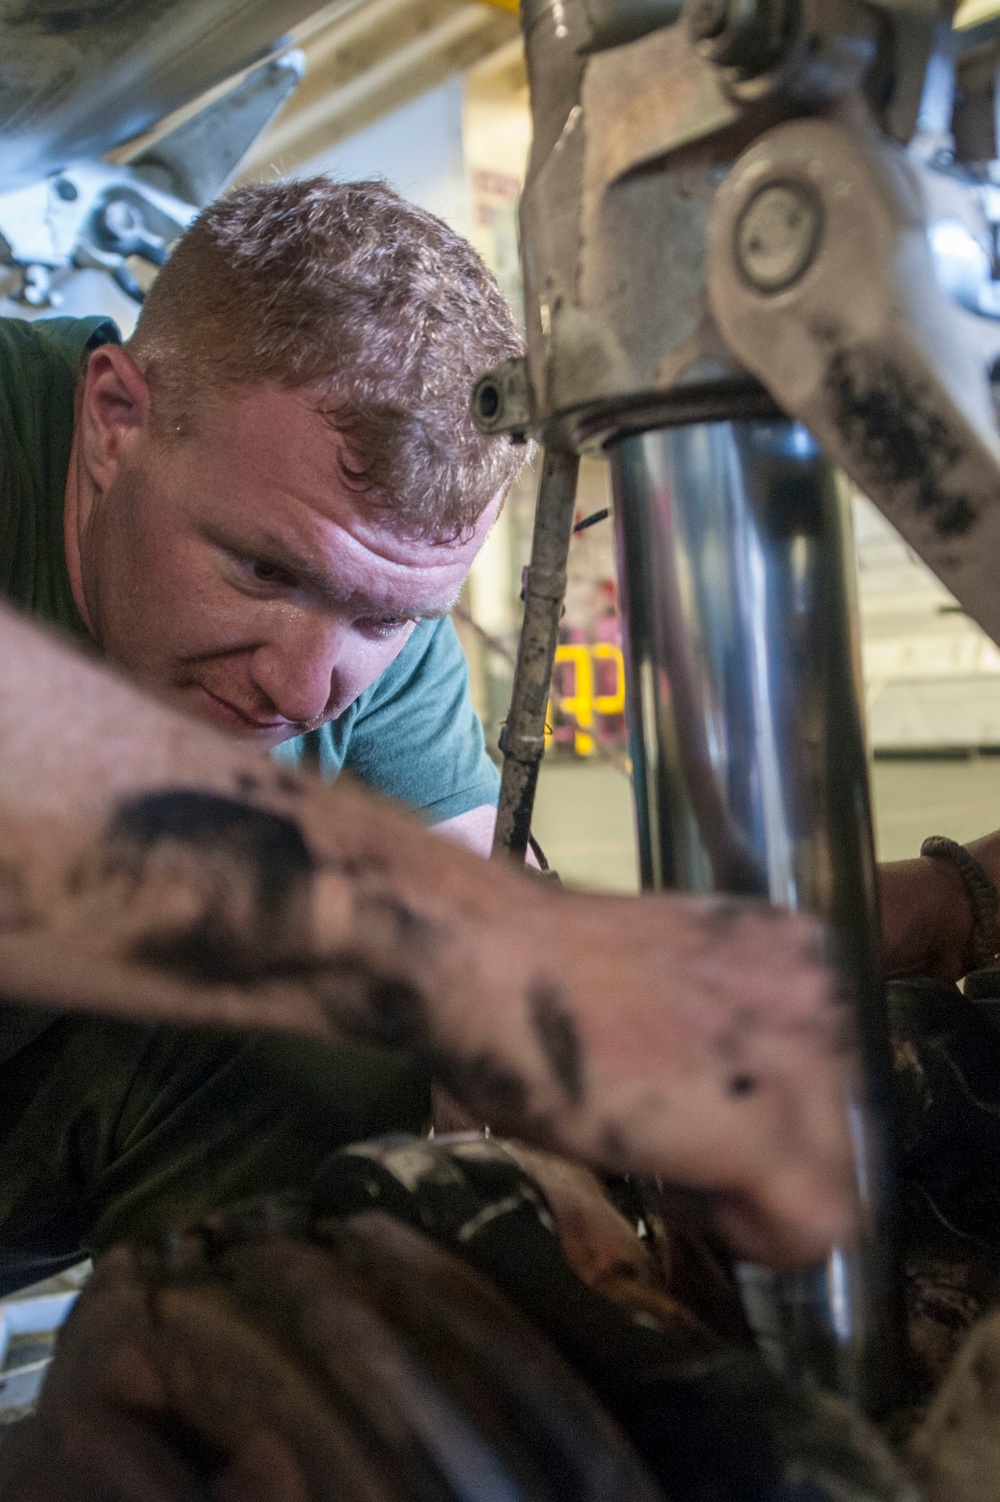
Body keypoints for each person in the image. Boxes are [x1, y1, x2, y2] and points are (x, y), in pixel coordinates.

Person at [0, 175, 853, 1293]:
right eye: (263, 569)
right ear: (116, 418)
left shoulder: (379, 651)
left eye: (383, 615)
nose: (307, 686)